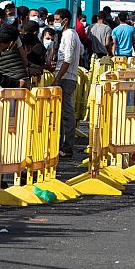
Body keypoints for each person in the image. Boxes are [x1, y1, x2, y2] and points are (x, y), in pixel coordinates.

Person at [52, 8, 82, 158]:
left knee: (67, 113)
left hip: (66, 78)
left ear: (65, 20)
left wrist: (58, 77)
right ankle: (62, 145)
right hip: (66, 77)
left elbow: (68, 59)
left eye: (57, 20)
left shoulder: (69, 35)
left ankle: (67, 146)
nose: (55, 22)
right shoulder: (70, 34)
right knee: (63, 113)